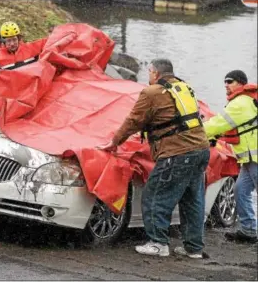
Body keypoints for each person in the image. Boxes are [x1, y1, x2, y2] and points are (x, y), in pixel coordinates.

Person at [98, 58, 210, 258]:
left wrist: (114, 142)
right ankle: (194, 248)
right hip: (200, 150)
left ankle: (158, 243)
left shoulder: (151, 93)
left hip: (177, 153)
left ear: (156, 73)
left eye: (149, 72)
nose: (148, 76)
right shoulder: (184, 87)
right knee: (192, 200)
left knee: (155, 195)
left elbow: (133, 121)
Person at [204, 70, 257, 244]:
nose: (226, 85)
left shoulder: (241, 102)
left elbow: (219, 123)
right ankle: (248, 230)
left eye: (230, 81)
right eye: (225, 82)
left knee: (242, 191)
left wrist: (195, 131)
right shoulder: (244, 101)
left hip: (255, 159)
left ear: (241, 83)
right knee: (240, 190)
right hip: (248, 160)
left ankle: (249, 229)